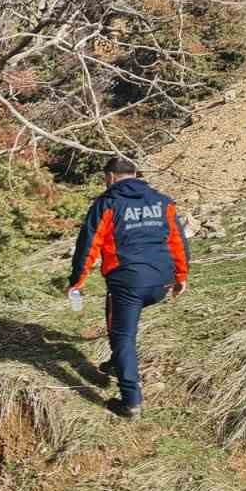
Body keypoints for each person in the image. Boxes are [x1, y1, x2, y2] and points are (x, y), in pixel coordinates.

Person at [68, 156, 189, 419]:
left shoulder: (107, 203)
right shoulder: (162, 201)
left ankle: (131, 401)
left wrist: (77, 282)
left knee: (124, 336)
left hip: (129, 282)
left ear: (110, 177)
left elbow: (88, 245)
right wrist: (181, 276)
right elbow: (177, 240)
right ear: (135, 174)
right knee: (115, 313)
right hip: (161, 281)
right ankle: (116, 363)